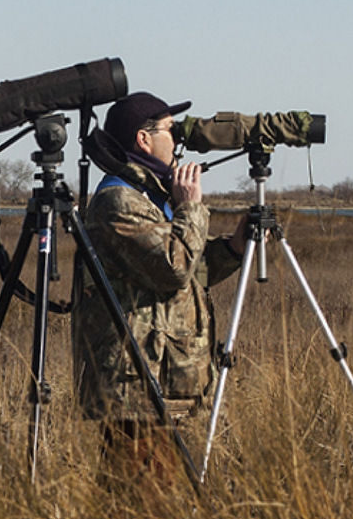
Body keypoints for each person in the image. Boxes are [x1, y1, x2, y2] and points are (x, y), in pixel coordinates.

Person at [71, 92, 246, 482]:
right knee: (141, 508)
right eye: (170, 130)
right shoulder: (118, 200)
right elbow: (173, 268)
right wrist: (190, 207)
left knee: (154, 502)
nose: (178, 140)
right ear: (143, 139)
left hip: (157, 381)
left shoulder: (151, 196)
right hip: (133, 386)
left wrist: (234, 248)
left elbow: (187, 277)